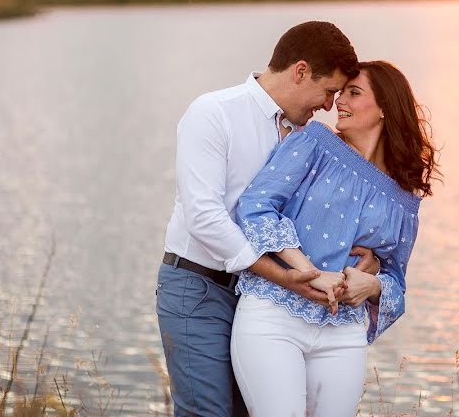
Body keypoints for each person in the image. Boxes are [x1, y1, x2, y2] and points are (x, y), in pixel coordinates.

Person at [156, 21, 381, 417]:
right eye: (328, 91)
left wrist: (365, 262)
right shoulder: (214, 112)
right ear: (300, 71)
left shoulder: (310, 139)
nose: (329, 106)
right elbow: (204, 216)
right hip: (198, 286)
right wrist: (280, 275)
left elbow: (318, 220)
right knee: (205, 411)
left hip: (260, 298)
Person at [230, 60, 439, 417]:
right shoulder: (314, 142)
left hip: (342, 331)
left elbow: (396, 283)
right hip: (274, 315)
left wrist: (370, 286)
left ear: (385, 107)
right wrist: (309, 271)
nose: (339, 101)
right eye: (340, 91)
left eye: (354, 93)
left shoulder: (403, 201)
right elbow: (256, 206)